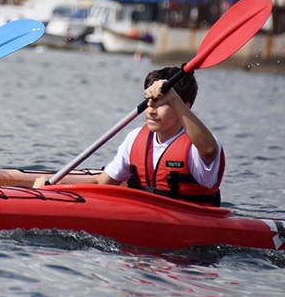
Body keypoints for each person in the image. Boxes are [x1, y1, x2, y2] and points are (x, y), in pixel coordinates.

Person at [95, 66, 225, 206]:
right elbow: (101, 182)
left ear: (184, 107)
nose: (151, 111)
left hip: (192, 219)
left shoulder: (198, 146)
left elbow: (210, 151)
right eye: (149, 101)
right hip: (144, 213)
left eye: (162, 103)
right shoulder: (134, 138)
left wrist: (173, 98)